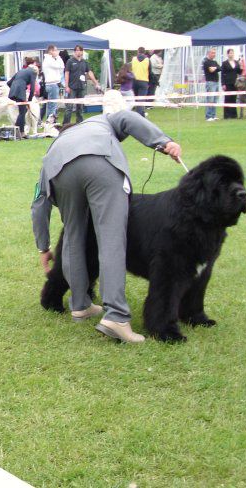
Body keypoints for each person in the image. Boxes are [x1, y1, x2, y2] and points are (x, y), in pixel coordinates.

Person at [32, 91, 182, 343]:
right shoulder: (99, 122)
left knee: (73, 233)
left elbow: (38, 204)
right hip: (101, 162)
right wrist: (162, 141)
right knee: (111, 238)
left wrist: (43, 247)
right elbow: (126, 117)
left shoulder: (53, 149)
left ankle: (80, 304)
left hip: (59, 172)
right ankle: (116, 316)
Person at [63, 45, 100, 124]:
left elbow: (89, 72)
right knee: (69, 107)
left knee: (80, 107)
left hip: (82, 87)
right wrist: (66, 86)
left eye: (80, 50)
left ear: (82, 52)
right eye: (77, 50)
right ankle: (65, 124)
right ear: (74, 52)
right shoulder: (70, 61)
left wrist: (96, 83)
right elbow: (66, 73)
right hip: (72, 87)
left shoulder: (85, 62)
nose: (78, 52)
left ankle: (79, 123)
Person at [8, 58, 38, 134]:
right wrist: (30, 100)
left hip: (13, 91)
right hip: (20, 92)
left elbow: (9, 83)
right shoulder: (33, 72)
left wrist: (16, 88)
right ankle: (21, 132)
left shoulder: (21, 71)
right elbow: (32, 88)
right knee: (22, 112)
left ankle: (16, 130)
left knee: (22, 111)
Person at [41, 45, 64, 125]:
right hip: (52, 84)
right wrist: (58, 57)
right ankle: (50, 122)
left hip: (53, 84)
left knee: (50, 105)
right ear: (50, 51)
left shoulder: (51, 59)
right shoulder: (48, 59)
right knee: (52, 105)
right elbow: (59, 66)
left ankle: (49, 121)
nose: (57, 52)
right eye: (55, 50)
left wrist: (57, 57)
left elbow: (62, 67)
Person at [220, 49, 242, 120]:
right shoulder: (224, 63)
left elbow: (239, 72)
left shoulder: (236, 62)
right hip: (227, 83)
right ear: (227, 54)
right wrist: (223, 84)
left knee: (234, 98)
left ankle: (233, 114)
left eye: (232, 53)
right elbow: (222, 74)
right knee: (227, 98)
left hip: (235, 83)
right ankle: (227, 115)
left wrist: (241, 67)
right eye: (230, 53)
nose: (231, 54)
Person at [130, 47, 151, 116]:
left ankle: (141, 113)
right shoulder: (148, 60)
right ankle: (139, 114)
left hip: (134, 81)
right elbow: (150, 71)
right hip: (144, 81)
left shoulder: (133, 59)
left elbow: (130, 69)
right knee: (141, 99)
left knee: (136, 98)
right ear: (144, 52)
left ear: (138, 51)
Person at [202, 48, 220, 121]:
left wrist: (215, 68)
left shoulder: (215, 62)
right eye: (212, 53)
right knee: (210, 99)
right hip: (210, 82)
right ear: (209, 53)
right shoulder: (206, 62)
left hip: (216, 82)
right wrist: (215, 68)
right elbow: (210, 70)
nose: (214, 54)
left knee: (215, 99)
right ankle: (208, 116)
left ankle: (213, 115)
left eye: (214, 53)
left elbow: (220, 68)